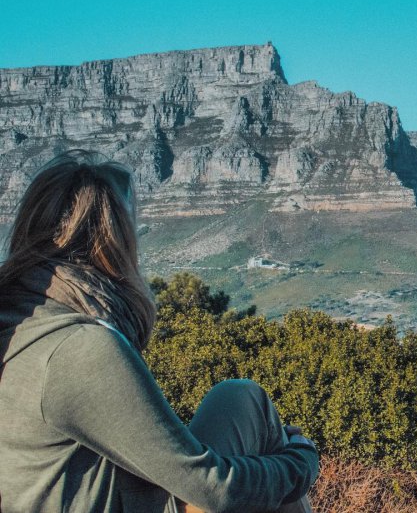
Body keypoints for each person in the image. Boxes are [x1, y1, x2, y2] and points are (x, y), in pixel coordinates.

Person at [0, 150, 318, 513]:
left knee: (239, 398)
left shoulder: (24, 319)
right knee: (252, 410)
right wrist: (301, 461)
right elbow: (213, 489)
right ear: (115, 240)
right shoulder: (78, 348)